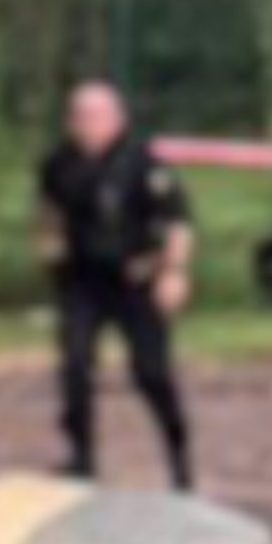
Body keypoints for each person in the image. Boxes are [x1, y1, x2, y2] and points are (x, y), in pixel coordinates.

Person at [38, 79, 195, 488]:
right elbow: (49, 212)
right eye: (79, 116)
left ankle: (179, 458)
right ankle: (82, 457)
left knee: (151, 373)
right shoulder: (59, 164)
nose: (86, 124)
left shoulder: (142, 164)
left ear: (117, 119)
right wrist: (49, 251)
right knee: (74, 364)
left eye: (95, 116)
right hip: (83, 281)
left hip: (136, 280)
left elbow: (177, 221)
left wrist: (174, 273)